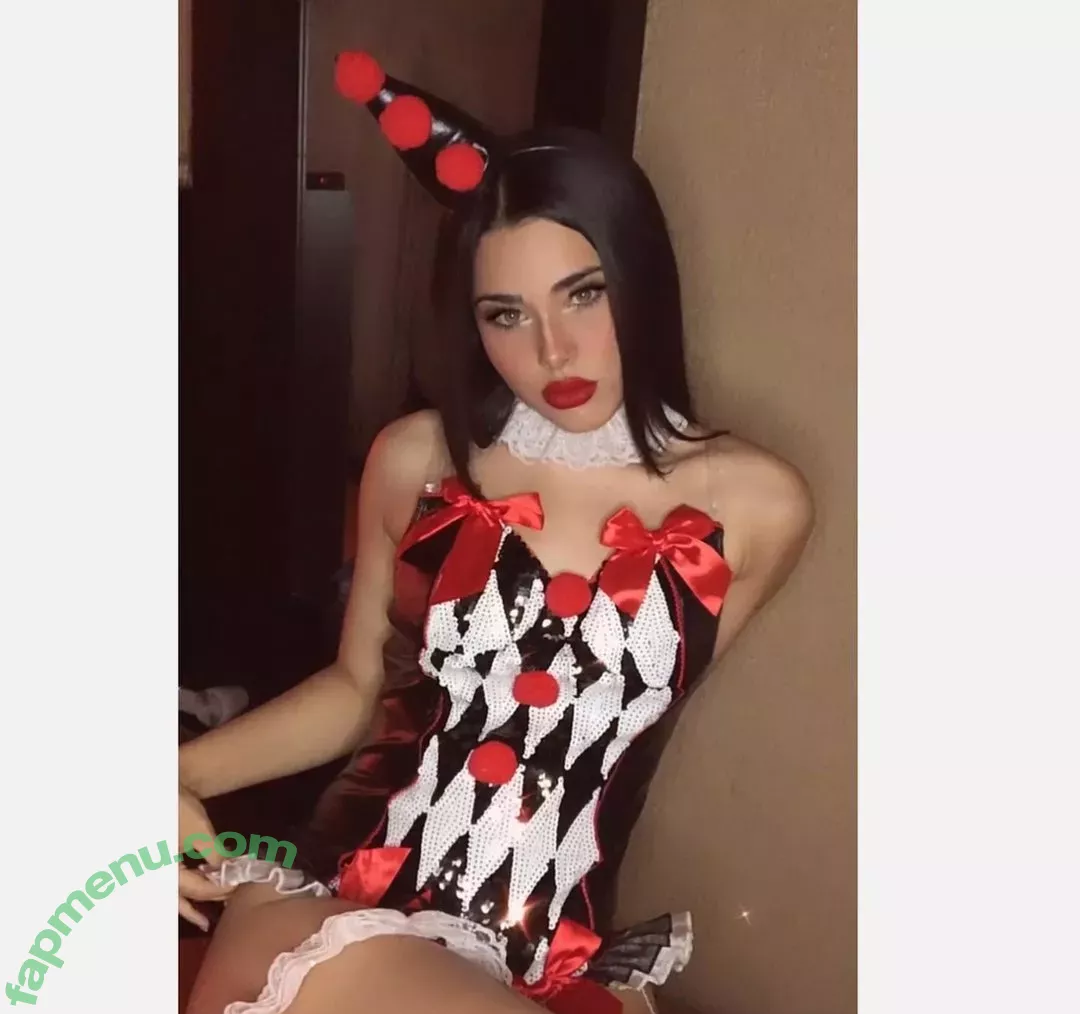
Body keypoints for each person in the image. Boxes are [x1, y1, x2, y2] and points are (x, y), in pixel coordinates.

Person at [181, 52, 814, 1014]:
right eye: (506, 314)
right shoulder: (418, 459)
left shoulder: (759, 507)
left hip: (539, 956)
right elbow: (357, 690)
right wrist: (170, 773)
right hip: (342, 910)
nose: (552, 350)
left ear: (644, 280)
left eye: (584, 293)